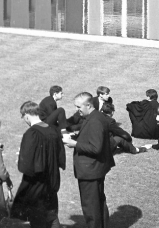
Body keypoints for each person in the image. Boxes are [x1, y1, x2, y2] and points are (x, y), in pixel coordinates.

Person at [62, 92, 115, 228]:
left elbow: (96, 148)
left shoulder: (95, 120)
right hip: (96, 169)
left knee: (91, 207)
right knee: (98, 203)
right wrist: (76, 137)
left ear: (88, 105)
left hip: (90, 170)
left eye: (79, 107)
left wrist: (75, 144)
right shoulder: (95, 116)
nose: (77, 110)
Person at [10, 101, 66, 228]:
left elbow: (26, 166)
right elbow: (60, 156)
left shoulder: (32, 133)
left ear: (27, 115)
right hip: (52, 180)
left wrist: (21, 157)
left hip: (37, 185)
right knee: (51, 214)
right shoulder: (52, 129)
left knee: (38, 220)